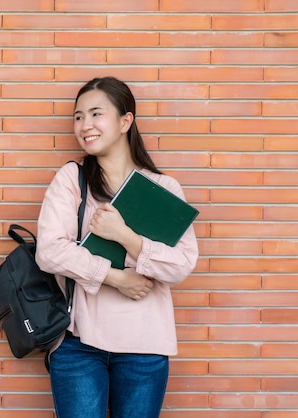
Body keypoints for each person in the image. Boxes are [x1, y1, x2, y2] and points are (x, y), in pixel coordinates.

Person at [35, 76, 199, 418]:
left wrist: (124, 235)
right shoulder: (72, 178)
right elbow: (50, 250)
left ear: (126, 121)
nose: (85, 125)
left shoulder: (163, 187)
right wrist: (115, 277)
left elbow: (181, 264)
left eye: (96, 114)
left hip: (145, 346)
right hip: (78, 344)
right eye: (79, 116)